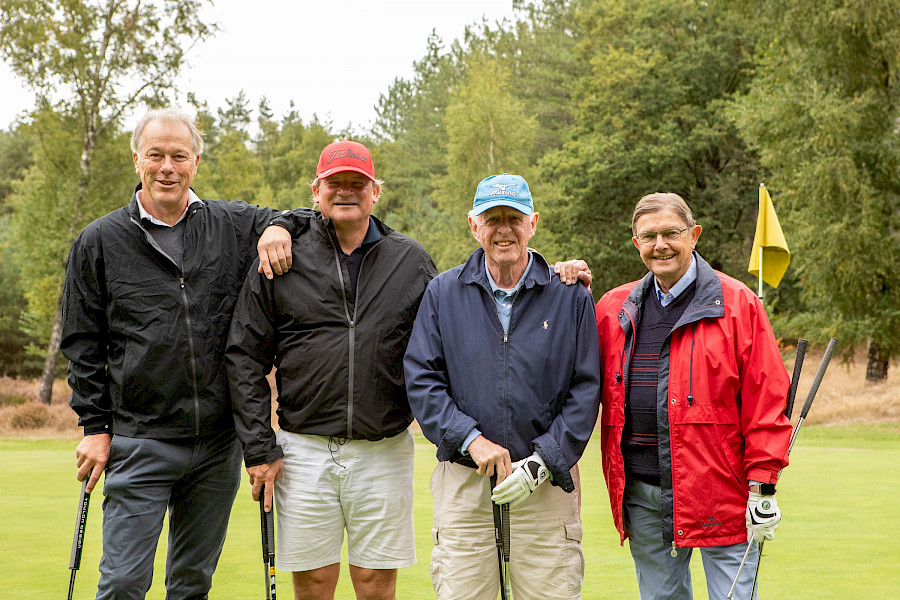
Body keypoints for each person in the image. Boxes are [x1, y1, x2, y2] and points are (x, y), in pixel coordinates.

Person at [61, 107, 302, 600]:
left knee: (192, 584)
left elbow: (300, 216)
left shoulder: (232, 225)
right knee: (124, 582)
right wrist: (95, 427)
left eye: (178, 156)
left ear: (195, 162)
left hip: (216, 445)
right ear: (137, 161)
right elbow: (82, 343)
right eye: (156, 155)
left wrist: (278, 229)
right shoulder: (99, 241)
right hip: (140, 438)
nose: (167, 167)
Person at [225, 140, 438, 600]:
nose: (346, 192)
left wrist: (552, 275)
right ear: (316, 190)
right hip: (302, 449)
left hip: (383, 449)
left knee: (376, 583)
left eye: (357, 184)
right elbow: (244, 355)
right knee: (315, 584)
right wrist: (260, 446)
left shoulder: (411, 260)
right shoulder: (281, 256)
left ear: (375, 191)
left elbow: (450, 337)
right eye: (334, 183)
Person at [402, 173, 602, 600]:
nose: (504, 229)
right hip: (464, 481)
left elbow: (585, 390)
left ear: (533, 223)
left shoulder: (569, 296)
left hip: (546, 486)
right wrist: (471, 440)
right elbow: (422, 380)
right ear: (474, 225)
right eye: (493, 219)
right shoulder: (443, 293)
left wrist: (544, 460)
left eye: (514, 218)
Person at [593, 192, 792, 600]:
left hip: (725, 495)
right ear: (636, 243)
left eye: (671, 232)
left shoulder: (739, 304)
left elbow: (766, 402)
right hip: (643, 497)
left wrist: (763, 487)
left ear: (694, 235)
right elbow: (577, 381)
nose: (660, 244)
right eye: (649, 236)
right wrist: (562, 278)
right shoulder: (613, 307)